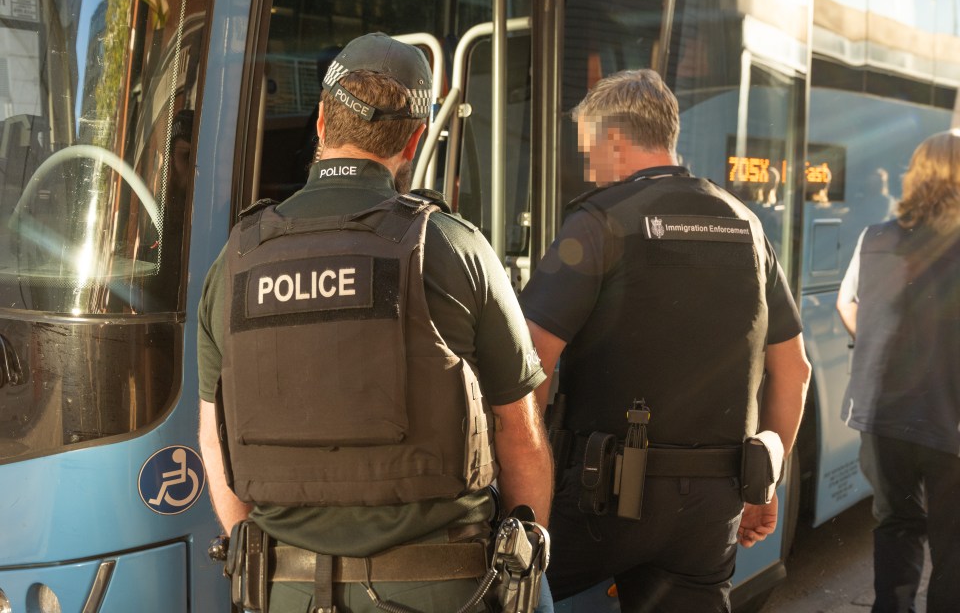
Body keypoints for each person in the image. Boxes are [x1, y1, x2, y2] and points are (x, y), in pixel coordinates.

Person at [197, 33, 553, 613]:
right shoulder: (455, 247)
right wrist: (523, 562)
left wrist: (262, 563)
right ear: (413, 140)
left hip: (285, 591)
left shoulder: (234, 261)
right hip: (445, 589)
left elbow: (215, 441)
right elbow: (520, 432)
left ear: (319, 123)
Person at [519, 69, 811, 612]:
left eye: (590, 152)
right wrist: (762, 482)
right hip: (710, 509)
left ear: (614, 139)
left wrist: (520, 497)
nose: (591, 168)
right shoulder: (747, 227)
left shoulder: (597, 224)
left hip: (596, 500)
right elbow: (794, 370)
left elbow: (530, 364)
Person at [836, 130, 960, 613]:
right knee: (952, 538)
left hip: (883, 412)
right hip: (949, 417)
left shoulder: (875, 238)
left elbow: (848, 304)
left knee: (896, 524)